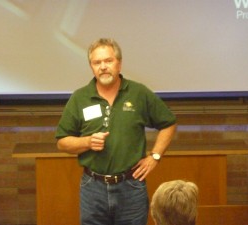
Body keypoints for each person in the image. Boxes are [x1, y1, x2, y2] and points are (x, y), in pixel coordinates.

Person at [55, 38, 177, 225]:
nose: (103, 67)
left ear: (119, 64)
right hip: (92, 187)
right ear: (91, 67)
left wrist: (155, 157)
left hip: (131, 186)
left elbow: (168, 123)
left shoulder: (138, 93)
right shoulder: (79, 97)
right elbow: (62, 142)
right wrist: (86, 142)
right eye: (97, 62)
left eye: (108, 61)